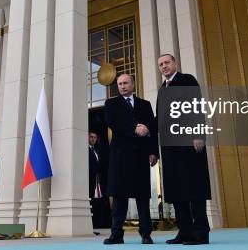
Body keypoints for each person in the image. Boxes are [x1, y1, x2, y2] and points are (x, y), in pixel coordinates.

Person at [157, 54, 211, 245]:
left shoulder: (187, 80)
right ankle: (185, 231)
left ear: (175, 64)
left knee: (194, 187)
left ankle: (201, 232)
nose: (164, 66)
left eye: (167, 63)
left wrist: (198, 134)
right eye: (161, 64)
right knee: (177, 189)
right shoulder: (162, 89)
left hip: (189, 142)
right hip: (170, 147)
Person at [103, 74, 158, 245]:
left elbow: (152, 128)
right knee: (119, 196)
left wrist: (153, 151)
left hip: (140, 155)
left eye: (125, 83)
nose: (122, 86)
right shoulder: (111, 103)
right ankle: (116, 234)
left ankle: (146, 234)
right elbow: (113, 123)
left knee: (142, 196)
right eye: (119, 84)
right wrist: (135, 128)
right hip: (120, 156)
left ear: (133, 84)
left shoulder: (145, 104)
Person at [88, 131, 106, 230]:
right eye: (91, 137)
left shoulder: (95, 150)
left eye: (95, 137)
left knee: (94, 203)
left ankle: (93, 226)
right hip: (88, 180)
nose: (93, 139)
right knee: (90, 202)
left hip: (95, 180)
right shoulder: (86, 149)